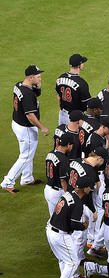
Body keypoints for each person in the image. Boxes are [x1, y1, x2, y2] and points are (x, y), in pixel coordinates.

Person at [2, 65, 50, 194]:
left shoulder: (19, 85)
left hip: (17, 122)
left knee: (28, 153)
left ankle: (27, 178)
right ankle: (8, 182)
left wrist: (38, 86)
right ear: (31, 77)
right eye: (38, 76)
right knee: (25, 156)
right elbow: (30, 115)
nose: (40, 78)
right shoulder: (27, 94)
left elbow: (34, 94)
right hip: (26, 128)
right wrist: (42, 127)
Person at [46, 174, 93, 278]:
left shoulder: (70, 193)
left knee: (64, 259)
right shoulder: (77, 202)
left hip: (51, 229)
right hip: (60, 235)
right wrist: (83, 226)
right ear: (85, 188)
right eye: (90, 186)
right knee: (73, 262)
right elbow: (74, 224)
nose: (91, 189)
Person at [56, 53, 91, 125]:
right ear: (79, 65)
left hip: (62, 115)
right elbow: (87, 106)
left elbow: (59, 98)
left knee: (62, 135)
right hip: (74, 119)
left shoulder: (61, 78)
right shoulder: (82, 83)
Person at [44, 132, 74, 215]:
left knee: (53, 218)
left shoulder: (50, 153)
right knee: (60, 219)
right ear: (68, 145)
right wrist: (67, 195)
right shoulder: (63, 160)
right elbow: (63, 180)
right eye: (72, 144)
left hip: (47, 189)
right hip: (56, 193)